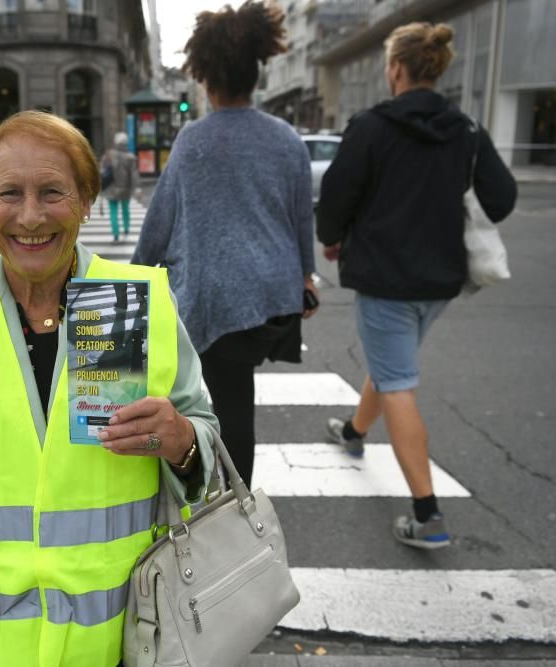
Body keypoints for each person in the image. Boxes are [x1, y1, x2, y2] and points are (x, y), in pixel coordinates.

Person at [0, 110, 218, 667]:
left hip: (127, 634)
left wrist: (180, 440)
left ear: (87, 200)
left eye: (52, 191)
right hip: (1, 645)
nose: (30, 216)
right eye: (8, 194)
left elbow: (204, 445)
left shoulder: (131, 302)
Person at [317, 22, 516, 550]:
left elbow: (336, 197)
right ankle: (355, 432)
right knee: (392, 364)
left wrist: (332, 239)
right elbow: (501, 198)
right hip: (442, 280)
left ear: (398, 68)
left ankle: (427, 515)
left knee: (397, 379)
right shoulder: (467, 128)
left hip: (386, 277)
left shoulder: (372, 127)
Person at [131, 1, 317, 489]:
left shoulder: (194, 141)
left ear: (206, 79)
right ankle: (229, 491)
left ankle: (234, 507)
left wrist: (131, 279)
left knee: (226, 403)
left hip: (217, 297)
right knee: (236, 393)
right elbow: (302, 216)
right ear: (255, 75)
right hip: (274, 298)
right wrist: (305, 278)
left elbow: (159, 224)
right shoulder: (287, 139)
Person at [99, 132, 139, 242]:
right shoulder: (130, 157)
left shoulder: (108, 156)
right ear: (126, 143)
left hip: (112, 188)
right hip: (125, 188)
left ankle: (115, 233)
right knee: (125, 209)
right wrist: (135, 188)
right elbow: (133, 175)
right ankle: (126, 228)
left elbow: (102, 171)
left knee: (113, 211)